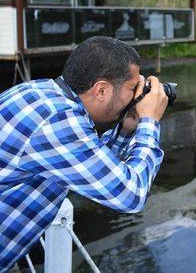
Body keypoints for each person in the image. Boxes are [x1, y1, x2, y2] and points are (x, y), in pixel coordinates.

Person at [0, 36, 168, 271]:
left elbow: (92, 166)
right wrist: (150, 121)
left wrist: (128, 126)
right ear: (101, 90)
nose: (136, 97)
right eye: (132, 89)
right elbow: (132, 195)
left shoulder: (42, 94)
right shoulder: (59, 123)